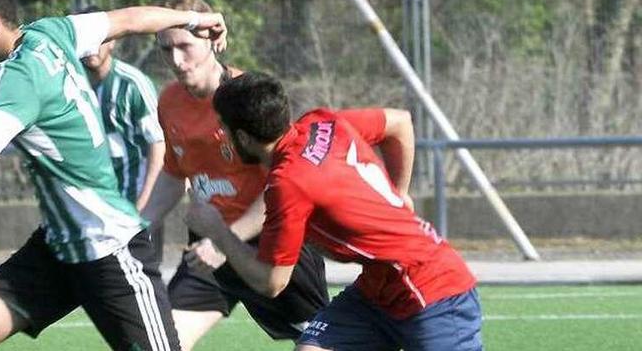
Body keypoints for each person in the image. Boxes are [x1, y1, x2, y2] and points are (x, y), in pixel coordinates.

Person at [0, 0, 227, 351]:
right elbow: (130, 19)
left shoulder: (13, 80)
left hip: (108, 243)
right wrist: (192, 18)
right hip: (58, 247)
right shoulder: (52, 32)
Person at [185, 72, 483, 351]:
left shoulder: (289, 183)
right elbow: (399, 122)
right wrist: (400, 193)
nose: (221, 137)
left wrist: (218, 231)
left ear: (244, 138)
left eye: (223, 128)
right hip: (377, 290)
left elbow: (272, 282)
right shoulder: (322, 123)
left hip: (433, 291)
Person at [141, 0, 328, 349]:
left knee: (321, 343)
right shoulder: (168, 101)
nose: (177, 60)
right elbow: (174, 172)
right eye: (166, 49)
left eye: (185, 46)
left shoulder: (249, 97)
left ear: (212, 39)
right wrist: (138, 226)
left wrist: (227, 240)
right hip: (207, 249)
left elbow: (286, 181)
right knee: (160, 343)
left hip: (270, 243)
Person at [81, 29, 167, 265]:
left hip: (135, 201)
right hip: (97, 206)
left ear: (112, 43)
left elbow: (158, 143)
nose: (91, 49)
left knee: (145, 274)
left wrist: (147, 201)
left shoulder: (132, 84)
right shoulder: (73, 84)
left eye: (98, 41)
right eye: (85, 43)